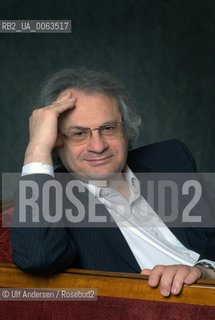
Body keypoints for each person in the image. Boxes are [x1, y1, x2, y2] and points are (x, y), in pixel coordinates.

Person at [10, 68, 215, 297]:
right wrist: (37, 147)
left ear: (125, 129)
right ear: (56, 141)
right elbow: (37, 257)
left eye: (108, 128)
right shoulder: (52, 196)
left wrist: (205, 269)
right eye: (79, 133)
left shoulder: (170, 158)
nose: (98, 146)